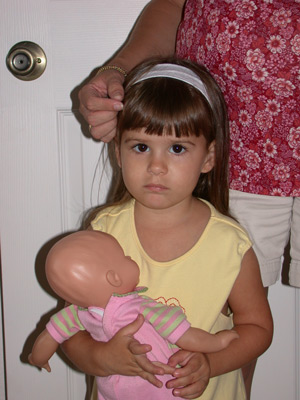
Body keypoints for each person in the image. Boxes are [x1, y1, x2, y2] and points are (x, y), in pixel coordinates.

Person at [78, 1, 300, 397]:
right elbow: (71, 327)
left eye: (177, 149)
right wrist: (100, 359)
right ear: (118, 152)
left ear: (209, 157)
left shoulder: (229, 243)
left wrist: (211, 363)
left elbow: (257, 329)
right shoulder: (102, 232)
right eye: (141, 147)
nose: (157, 167)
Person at [28, 230, 238, 400]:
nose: (130, 258)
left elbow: (50, 336)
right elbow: (183, 335)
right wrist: (216, 342)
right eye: (125, 257)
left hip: (112, 391)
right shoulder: (139, 308)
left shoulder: (78, 313)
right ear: (114, 278)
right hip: (158, 388)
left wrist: (38, 358)